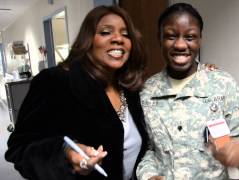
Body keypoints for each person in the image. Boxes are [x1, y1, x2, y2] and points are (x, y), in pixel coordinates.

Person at [5, 5, 149, 180]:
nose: (118, 38)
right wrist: (65, 154)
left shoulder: (130, 88)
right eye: (105, 32)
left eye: (126, 34)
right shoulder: (55, 82)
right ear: (88, 39)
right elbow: (20, 149)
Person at [136, 3, 239, 180]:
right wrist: (148, 176)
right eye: (170, 36)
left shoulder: (222, 84)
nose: (179, 44)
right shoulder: (147, 91)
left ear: (200, 40)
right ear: (159, 39)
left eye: (190, 37)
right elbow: (149, 149)